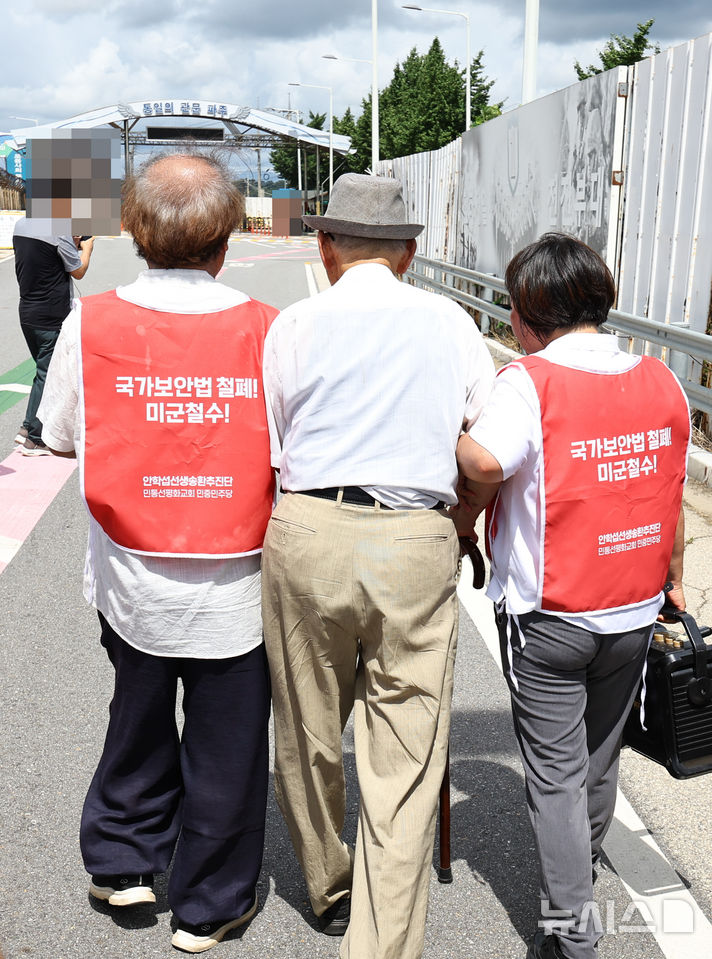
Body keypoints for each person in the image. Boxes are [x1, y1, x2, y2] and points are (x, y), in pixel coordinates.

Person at [38, 153, 277, 954]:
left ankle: (124, 859)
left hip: (130, 577)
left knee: (137, 719)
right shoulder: (266, 329)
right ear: (228, 235)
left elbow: (66, 434)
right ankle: (208, 904)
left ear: (134, 229)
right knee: (228, 748)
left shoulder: (91, 320)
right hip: (239, 583)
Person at [262, 172, 495, 959]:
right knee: (405, 759)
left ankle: (329, 883)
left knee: (307, 727)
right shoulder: (452, 322)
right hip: (415, 536)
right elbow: (487, 448)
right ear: (410, 252)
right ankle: (379, 945)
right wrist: (460, 521)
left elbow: (275, 447)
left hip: (308, 528)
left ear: (325, 246)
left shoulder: (293, 324)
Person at [455, 233, 690, 959]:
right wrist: (671, 576)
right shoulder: (661, 380)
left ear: (526, 313)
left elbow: (487, 459)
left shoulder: (529, 380)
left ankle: (570, 931)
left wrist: (460, 442)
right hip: (633, 608)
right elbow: (669, 490)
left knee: (554, 778)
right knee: (597, 755)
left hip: (551, 615)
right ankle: (579, 869)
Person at [12, 219, 94, 454]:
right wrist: (86, 249)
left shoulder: (21, 225)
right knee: (49, 376)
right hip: (51, 314)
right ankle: (36, 439)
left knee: (42, 372)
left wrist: (71, 242)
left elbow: (42, 258)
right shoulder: (59, 231)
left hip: (27, 311)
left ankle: (28, 429)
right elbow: (77, 270)